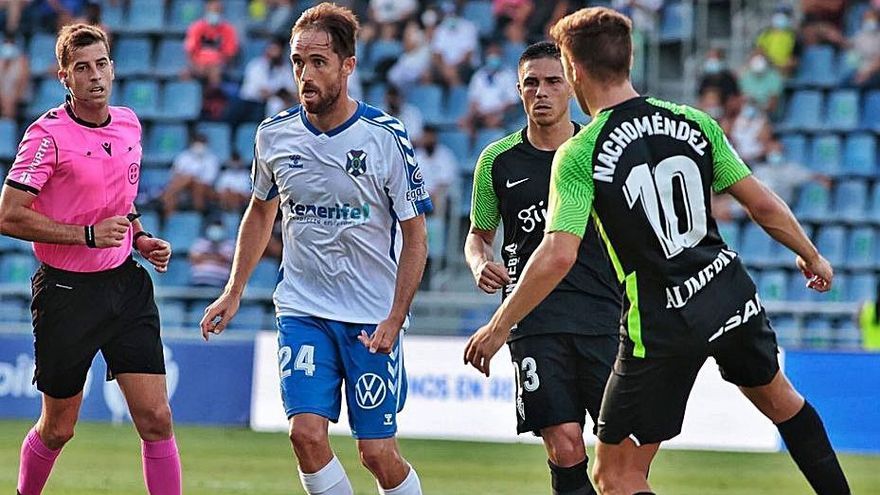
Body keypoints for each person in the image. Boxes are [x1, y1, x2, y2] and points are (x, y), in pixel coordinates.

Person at [464, 8, 851, 495]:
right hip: (729, 293)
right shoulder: (692, 122)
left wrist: (498, 326)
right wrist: (812, 256)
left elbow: (558, 253)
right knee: (784, 402)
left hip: (662, 320)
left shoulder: (581, 152)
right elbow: (761, 203)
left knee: (615, 475)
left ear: (575, 71)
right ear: (628, 61)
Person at [200, 4, 430, 495]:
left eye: (319, 62)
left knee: (376, 454)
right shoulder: (273, 135)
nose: (305, 74)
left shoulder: (386, 137)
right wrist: (234, 290)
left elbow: (415, 235)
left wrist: (395, 315)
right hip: (303, 307)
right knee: (305, 434)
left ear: (348, 66)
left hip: (371, 314)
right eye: (297, 61)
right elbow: (261, 211)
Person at [0, 24, 179, 495]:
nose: (95, 76)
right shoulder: (46, 136)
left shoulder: (129, 124)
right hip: (66, 294)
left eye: (101, 64)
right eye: (82, 68)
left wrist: (139, 237)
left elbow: (121, 201)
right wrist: (86, 235)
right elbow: (8, 215)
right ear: (65, 77)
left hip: (125, 284)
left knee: (157, 419)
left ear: (114, 68)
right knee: (58, 428)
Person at [465, 41, 621, 495]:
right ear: (518, 90)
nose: (542, 92)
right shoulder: (497, 160)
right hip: (533, 320)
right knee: (564, 444)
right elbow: (479, 234)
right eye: (531, 83)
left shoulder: (600, 152)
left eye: (553, 81)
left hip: (605, 317)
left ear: (571, 86)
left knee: (620, 455)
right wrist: (479, 262)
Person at [160, 132, 221, 216]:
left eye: (202, 143)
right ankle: (170, 218)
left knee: (191, 183)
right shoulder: (184, 156)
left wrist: (192, 178)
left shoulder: (212, 159)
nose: (199, 146)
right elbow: (175, 174)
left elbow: (209, 180)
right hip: (183, 186)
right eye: (197, 143)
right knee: (178, 188)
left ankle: (167, 194)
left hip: (204, 187)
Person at [184, 0, 239, 87]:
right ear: (207, 8)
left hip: (219, 64)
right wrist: (197, 63)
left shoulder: (228, 29)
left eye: (217, 10)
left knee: (215, 73)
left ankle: (212, 97)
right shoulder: (197, 27)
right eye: (213, 9)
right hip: (199, 64)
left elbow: (229, 53)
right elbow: (190, 49)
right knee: (185, 74)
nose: (215, 12)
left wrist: (216, 62)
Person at [189, 218, 235, 288]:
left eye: (218, 227)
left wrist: (205, 256)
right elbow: (194, 258)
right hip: (197, 283)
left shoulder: (230, 245)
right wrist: (217, 257)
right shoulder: (200, 243)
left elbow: (228, 260)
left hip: (220, 285)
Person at [0, 30, 29, 119]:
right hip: (19, 59)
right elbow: (23, 79)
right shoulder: (21, 96)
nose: (8, 110)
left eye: (4, 111)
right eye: (9, 112)